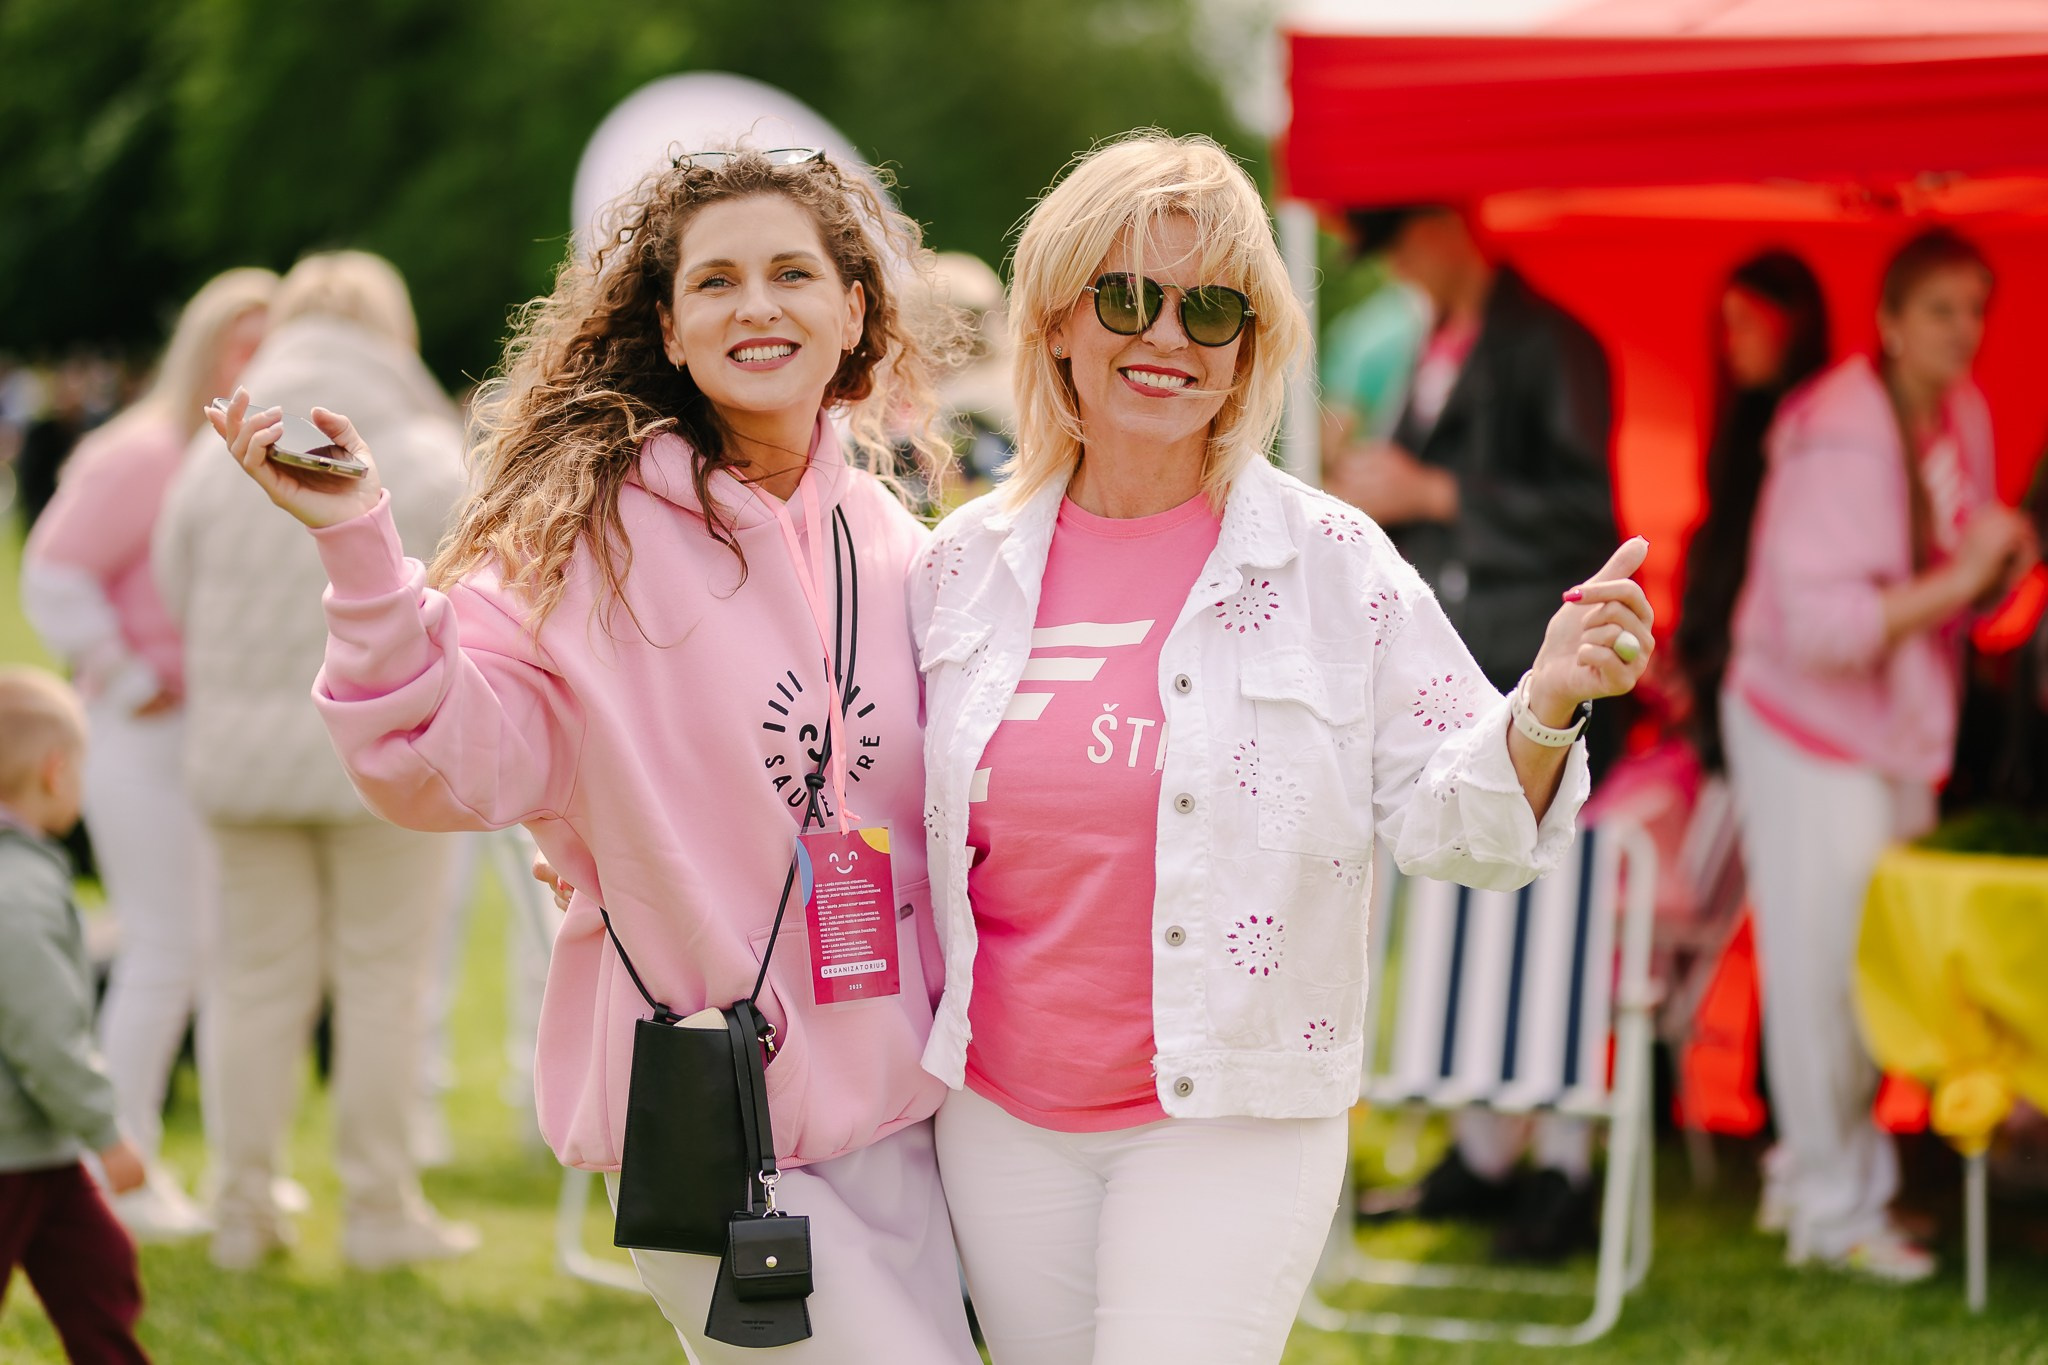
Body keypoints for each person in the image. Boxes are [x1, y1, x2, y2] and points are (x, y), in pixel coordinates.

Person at [207, 151, 978, 1362]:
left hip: (907, 1118)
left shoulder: (894, 540)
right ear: (667, 329)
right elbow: (439, 758)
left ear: (855, 310)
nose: (756, 306)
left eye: (791, 272)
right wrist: (359, 546)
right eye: (715, 282)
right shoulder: (587, 541)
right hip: (711, 1122)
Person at [913, 132, 1650, 1365]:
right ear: (1052, 325)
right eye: (1122, 297)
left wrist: (1544, 704)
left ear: (1248, 345)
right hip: (996, 1114)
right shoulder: (955, 570)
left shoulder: (1329, 562)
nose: (1165, 338)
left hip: (1233, 1111)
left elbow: (1455, 824)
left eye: (1208, 306)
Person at [1722, 228, 2034, 1281]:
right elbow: (1823, 630)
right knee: (1822, 970)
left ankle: (1809, 1180)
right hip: (1801, 724)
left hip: (1891, 728)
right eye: (1940, 308)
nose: (1963, 330)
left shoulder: (1960, 415)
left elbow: (1950, 580)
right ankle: (1831, 1210)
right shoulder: (1838, 433)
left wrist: (1992, 563)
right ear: (1890, 323)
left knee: (1862, 964)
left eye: (1974, 308)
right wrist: (1963, 579)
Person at [156, 252, 472, 1272]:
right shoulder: (424, 451)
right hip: (383, 756)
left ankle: (242, 1209)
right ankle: (379, 1210)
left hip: (241, 762)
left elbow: (172, 587)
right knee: (382, 982)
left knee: (253, 984)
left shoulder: (219, 451)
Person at [1328, 203, 1620, 1258]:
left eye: (1402, 245)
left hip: (1535, 667)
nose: (1398, 270)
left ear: (1449, 226)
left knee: (1544, 929)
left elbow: (1591, 516)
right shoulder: (1428, 345)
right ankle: (1483, 1157)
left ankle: (1560, 1170)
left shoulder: (1551, 344)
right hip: (1460, 663)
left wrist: (1433, 489)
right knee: (1465, 920)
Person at [21, 267, 276, 1242]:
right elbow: (53, 571)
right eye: (245, 340)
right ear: (207, 347)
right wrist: (127, 676)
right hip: (141, 731)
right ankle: (111, 1172)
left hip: (213, 732)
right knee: (164, 949)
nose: (261, 359)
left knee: (209, 953)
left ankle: (182, 1168)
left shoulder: (235, 457)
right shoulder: (144, 453)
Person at [0, 666, 154, 1365]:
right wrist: (106, 1131)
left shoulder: (27, 871)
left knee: (98, 1266)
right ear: (56, 772)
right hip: (12, 1145)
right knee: (94, 1267)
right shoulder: (20, 889)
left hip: (40, 1145)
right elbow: (43, 1029)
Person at [1675, 251, 1831, 773]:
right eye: (1726, 325)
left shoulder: (1818, 434)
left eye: (1743, 323)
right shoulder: (1740, 431)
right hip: (1725, 683)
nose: (1730, 343)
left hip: (1781, 693)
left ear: (1792, 323)